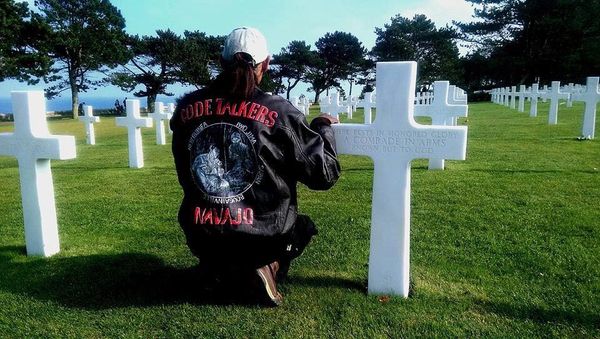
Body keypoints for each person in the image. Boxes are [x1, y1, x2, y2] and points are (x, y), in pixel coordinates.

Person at [170, 27, 340, 306]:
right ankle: (267, 267)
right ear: (266, 64)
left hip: (203, 234)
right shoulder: (279, 111)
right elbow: (324, 174)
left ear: (221, 61)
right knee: (302, 226)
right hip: (263, 237)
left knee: (217, 241)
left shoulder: (186, 109)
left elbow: (185, 172)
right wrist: (322, 128)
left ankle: (216, 268)